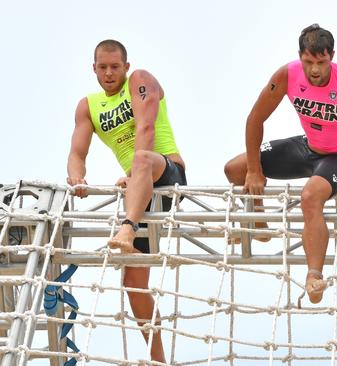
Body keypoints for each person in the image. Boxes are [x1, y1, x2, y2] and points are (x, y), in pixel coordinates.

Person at [224, 24, 337, 304]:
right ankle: (259, 221)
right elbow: (255, 118)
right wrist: (254, 170)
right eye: (308, 61)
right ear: (299, 56)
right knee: (236, 168)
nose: (314, 70)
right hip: (307, 146)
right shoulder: (287, 75)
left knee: (310, 197)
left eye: (321, 62)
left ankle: (314, 275)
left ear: (331, 57)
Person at [67, 39, 187, 363]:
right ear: (94, 69)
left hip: (168, 174)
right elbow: (77, 154)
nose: (109, 73)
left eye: (115, 67)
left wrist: (136, 171)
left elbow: (146, 129)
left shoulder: (140, 81)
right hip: (140, 189)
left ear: (126, 66)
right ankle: (159, 361)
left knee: (142, 159)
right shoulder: (88, 106)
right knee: (133, 284)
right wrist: (77, 177)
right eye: (103, 67)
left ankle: (127, 229)